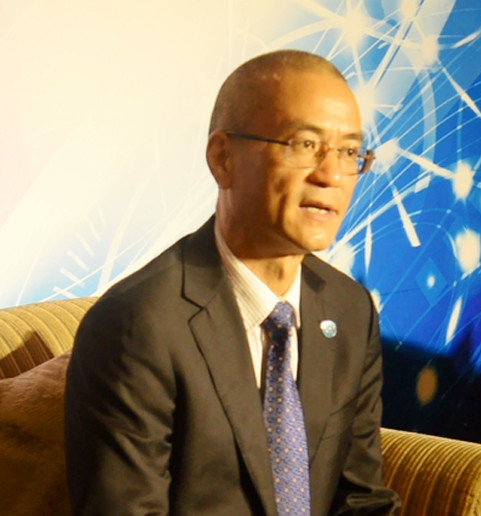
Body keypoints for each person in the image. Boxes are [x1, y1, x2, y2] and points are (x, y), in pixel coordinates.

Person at [64, 49, 401, 516]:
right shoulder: (138, 325)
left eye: (348, 152)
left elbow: (361, 498)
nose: (331, 176)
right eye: (305, 144)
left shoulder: (349, 308)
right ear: (223, 158)